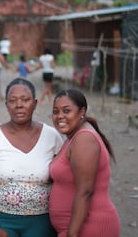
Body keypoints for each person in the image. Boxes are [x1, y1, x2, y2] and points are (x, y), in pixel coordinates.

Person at [0, 78, 63, 237]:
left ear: (34, 103)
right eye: (13, 101)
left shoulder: (51, 136)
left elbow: (62, 180)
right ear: (7, 105)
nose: (19, 105)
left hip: (41, 222)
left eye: (25, 100)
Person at [49, 89, 120, 237]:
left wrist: (72, 233)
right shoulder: (73, 137)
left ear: (82, 111)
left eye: (66, 111)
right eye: (56, 111)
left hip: (89, 227)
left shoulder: (84, 139)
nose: (60, 116)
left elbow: (85, 191)